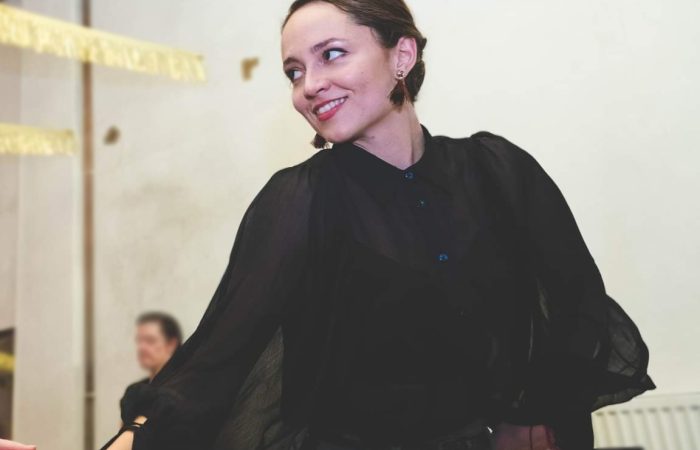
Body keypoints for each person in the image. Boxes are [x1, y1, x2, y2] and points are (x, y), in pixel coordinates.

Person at [100, 1, 655, 449]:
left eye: (331, 55)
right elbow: (218, 357)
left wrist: (530, 413)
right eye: (294, 72)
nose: (308, 85)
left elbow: (577, 307)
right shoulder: (299, 199)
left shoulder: (498, 171)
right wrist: (136, 438)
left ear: (401, 55)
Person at [118, 312, 183, 427]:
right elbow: (122, 433)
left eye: (150, 341)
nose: (141, 348)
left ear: (171, 344)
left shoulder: (182, 391)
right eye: (139, 341)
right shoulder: (134, 392)